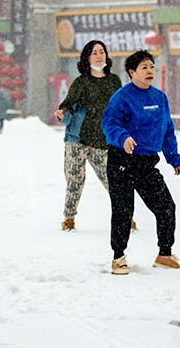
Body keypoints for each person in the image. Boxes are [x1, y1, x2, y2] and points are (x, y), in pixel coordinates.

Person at [102, 50, 180, 275]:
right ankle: (118, 257)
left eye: (152, 67)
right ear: (131, 72)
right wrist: (124, 137)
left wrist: (174, 158)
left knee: (166, 207)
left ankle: (164, 254)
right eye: (144, 68)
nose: (150, 71)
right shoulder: (122, 97)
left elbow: (167, 130)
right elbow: (109, 123)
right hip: (123, 161)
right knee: (123, 210)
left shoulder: (159, 97)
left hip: (147, 163)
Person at [54, 40, 122, 231]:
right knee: (75, 181)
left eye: (102, 52)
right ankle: (69, 218)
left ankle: (125, 216)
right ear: (87, 58)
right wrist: (63, 114)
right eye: (95, 53)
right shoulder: (81, 82)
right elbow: (67, 105)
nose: (99, 56)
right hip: (78, 141)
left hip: (103, 141)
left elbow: (121, 107)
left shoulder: (114, 81)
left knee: (113, 182)